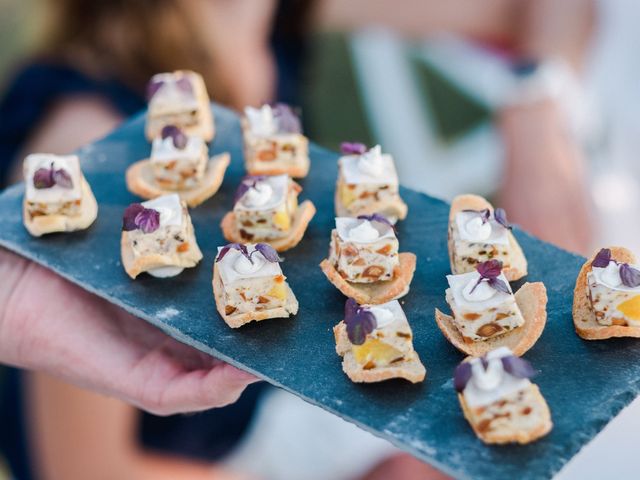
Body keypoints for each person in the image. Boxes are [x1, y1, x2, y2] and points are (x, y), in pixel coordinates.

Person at [0, 0, 595, 479]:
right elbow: (84, 467)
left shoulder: (269, 16)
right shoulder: (88, 143)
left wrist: (533, 115)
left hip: (281, 405)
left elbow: (556, 8)